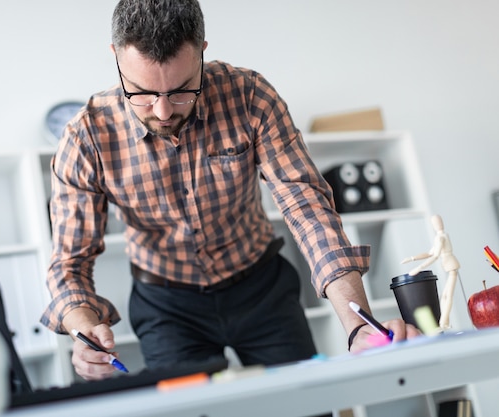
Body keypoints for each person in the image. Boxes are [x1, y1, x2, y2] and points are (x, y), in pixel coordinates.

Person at [41, 0, 419, 381]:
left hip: (261, 287)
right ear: (116, 57)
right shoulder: (86, 136)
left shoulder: (249, 96)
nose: (162, 111)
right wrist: (81, 327)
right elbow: (70, 262)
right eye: (140, 92)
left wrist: (358, 325)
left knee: (306, 404)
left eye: (181, 91)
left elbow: (308, 208)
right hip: (166, 306)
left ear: (202, 53)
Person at [401, 214, 460, 329]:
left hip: (451, 265)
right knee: (444, 296)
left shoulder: (441, 237)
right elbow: (430, 253)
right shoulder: (440, 237)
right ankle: (444, 322)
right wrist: (412, 258)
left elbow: (436, 256)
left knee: (448, 296)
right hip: (448, 265)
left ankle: (443, 323)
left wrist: (419, 268)